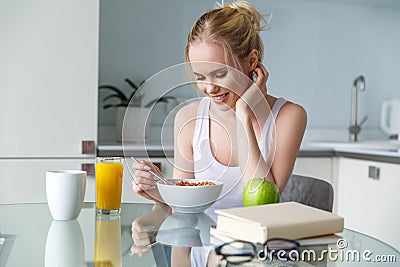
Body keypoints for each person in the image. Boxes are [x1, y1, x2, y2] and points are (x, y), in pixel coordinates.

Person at [131, 1, 307, 265]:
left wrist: (244, 116)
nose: (209, 88)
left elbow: (262, 205)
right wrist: (159, 196)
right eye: (200, 76)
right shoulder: (188, 119)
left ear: (252, 62)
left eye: (220, 74)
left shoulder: (288, 116)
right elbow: (184, 213)